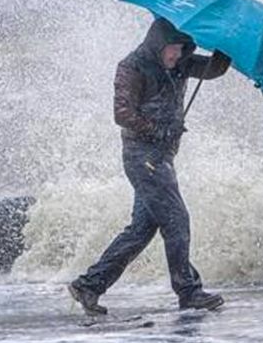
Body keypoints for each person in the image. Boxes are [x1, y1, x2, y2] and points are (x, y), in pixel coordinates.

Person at [68, 17, 231, 315]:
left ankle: (89, 285)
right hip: (142, 156)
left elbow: (213, 69)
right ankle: (188, 291)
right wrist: (158, 130)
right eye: (172, 49)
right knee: (176, 219)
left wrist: (226, 45)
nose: (177, 55)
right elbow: (122, 114)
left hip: (162, 157)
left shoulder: (180, 62)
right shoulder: (132, 67)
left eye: (183, 49)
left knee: (141, 229)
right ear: (158, 44)